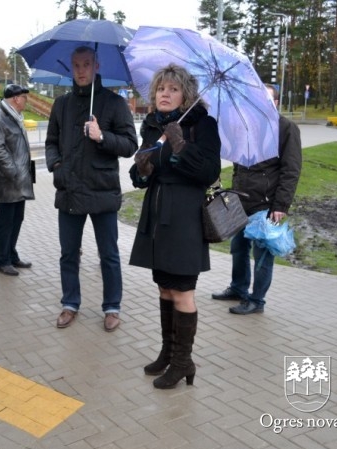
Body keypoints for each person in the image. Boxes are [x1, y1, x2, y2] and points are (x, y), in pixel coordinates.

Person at [129, 64, 221, 389]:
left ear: (187, 95)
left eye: (173, 89)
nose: (165, 94)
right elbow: (140, 177)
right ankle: (169, 353)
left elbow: (209, 172)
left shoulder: (202, 125)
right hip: (157, 215)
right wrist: (141, 170)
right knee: (165, 287)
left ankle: (183, 362)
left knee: (182, 290)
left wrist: (181, 146)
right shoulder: (152, 125)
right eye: (160, 89)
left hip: (184, 216)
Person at [45, 46, 138, 332]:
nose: (81, 70)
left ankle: (112, 307)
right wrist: (56, 166)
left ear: (96, 66)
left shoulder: (114, 104)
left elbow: (129, 145)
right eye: (76, 65)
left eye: (86, 64)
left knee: (108, 254)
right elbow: (50, 142)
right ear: (71, 68)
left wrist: (102, 136)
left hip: (101, 190)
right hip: (70, 190)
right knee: (68, 253)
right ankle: (70, 303)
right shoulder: (61, 104)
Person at [212, 83, 302, 315]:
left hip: (267, 205)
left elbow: (291, 170)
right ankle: (238, 288)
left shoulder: (287, 128)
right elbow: (239, 165)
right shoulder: (247, 127)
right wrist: (233, 190)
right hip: (242, 202)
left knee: (262, 256)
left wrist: (280, 205)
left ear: (276, 103)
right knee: (238, 248)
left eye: (268, 99)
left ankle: (257, 300)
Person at [0, 84, 35, 276]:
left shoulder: (14, 116)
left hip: (19, 178)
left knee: (17, 218)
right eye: (24, 98)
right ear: (15, 98)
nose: (26, 101)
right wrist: (14, 173)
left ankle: (11, 254)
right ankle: (2, 260)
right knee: (5, 220)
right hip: (7, 180)